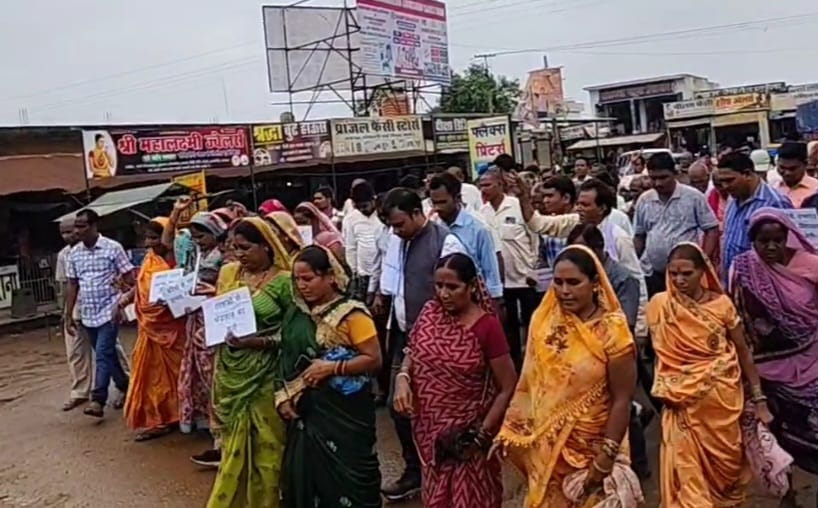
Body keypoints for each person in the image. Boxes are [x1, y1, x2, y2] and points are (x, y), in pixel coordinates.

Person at [495, 245, 642, 507]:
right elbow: (530, 383)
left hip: (592, 447)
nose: (564, 290)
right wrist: (513, 428)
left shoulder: (613, 331)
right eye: (558, 282)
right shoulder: (543, 322)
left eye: (574, 282)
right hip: (546, 446)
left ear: (595, 283)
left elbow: (623, 398)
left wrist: (606, 456)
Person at [647, 243, 773, 507]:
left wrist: (759, 398)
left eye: (687, 273)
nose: (679, 280)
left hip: (721, 403)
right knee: (686, 478)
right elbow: (663, 356)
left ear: (702, 271)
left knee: (727, 474)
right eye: (673, 274)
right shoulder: (660, 305)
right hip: (681, 405)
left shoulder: (721, 305)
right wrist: (669, 385)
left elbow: (742, 351)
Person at [393, 253, 517, 507]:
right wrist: (402, 378)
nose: (444, 294)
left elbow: (507, 386)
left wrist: (480, 437)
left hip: (467, 437)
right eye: (439, 286)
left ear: (472, 287)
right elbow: (412, 352)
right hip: (431, 432)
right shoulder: (429, 314)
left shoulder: (486, 327)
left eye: (452, 287)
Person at [275, 245, 382, 507]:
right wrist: (283, 395)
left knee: (348, 481)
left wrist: (332, 368)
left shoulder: (352, 314)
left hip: (344, 412)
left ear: (330, 276)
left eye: (308, 278)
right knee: (305, 475)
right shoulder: (297, 314)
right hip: (307, 411)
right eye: (297, 279)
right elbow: (285, 354)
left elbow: (374, 359)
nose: (302, 286)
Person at [378, 187, 465, 501]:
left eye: (400, 224)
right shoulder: (398, 240)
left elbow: (458, 293)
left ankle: (443, 472)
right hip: (404, 334)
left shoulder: (446, 242)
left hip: (437, 340)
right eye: (392, 226)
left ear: (417, 213)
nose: (396, 231)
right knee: (399, 407)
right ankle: (415, 470)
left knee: (436, 410)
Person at [206, 217, 294, 508]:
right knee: (233, 448)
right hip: (231, 372)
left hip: (266, 375)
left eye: (245, 247)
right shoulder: (229, 273)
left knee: (268, 447)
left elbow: (294, 333)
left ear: (266, 246)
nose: (239, 254)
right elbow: (220, 315)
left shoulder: (285, 281)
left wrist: (258, 342)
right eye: (234, 247)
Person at [731, 209, 818, 477]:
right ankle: (785, 486)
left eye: (777, 240)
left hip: (812, 360)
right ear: (752, 241)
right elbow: (737, 316)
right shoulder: (743, 269)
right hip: (766, 367)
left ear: (787, 237)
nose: (771, 247)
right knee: (775, 433)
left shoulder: (810, 264)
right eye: (763, 241)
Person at [165, 210, 227, 465]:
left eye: (201, 236)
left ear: (215, 233)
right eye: (194, 237)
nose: (198, 241)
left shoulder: (225, 257)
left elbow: (229, 291)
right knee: (202, 378)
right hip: (196, 322)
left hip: (217, 323)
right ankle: (214, 433)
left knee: (217, 380)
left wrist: (212, 292)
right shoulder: (197, 255)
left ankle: (223, 441)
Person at [119, 217, 185, 441]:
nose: (149, 243)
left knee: (178, 374)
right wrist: (124, 299)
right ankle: (159, 420)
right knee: (152, 377)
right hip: (150, 330)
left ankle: (184, 414)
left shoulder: (178, 259)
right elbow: (141, 288)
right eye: (147, 238)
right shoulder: (149, 260)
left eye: (154, 237)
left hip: (174, 328)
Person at [64, 209, 134, 419]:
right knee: (107, 354)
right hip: (87, 312)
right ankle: (125, 384)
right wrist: (68, 314)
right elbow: (72, 285)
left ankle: (98, 399)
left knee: (102, 353)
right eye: (76, 227)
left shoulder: (113, 248)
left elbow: (129, 277)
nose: (77, 231)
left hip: (109, 311)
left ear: (94, 226)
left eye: (82, 226)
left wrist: (123, 296)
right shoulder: (73, 254)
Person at [635, 152, 720, 297]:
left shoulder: (693, 197)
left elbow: (711, 229)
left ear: (675, 174)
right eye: (653, 178)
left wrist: (702, 261)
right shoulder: (644, 200)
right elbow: (639, 236)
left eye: (663, 177)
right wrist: (636, 263)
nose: (658, 183)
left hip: (686, 276)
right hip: (654, 274)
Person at [479, 169, 539, 370]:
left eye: (488, 185)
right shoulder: (483, 213)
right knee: (508, 327)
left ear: (500, 185)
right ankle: (515, 367)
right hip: (501, 282)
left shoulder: (517, 206)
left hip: (525, 277)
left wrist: (533, 268)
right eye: (481, 185)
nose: (484, 189)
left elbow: (534, 238)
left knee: (532, 323)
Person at [428, 173, 504, 303]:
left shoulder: (478, 229)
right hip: (442, 300)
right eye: (434, 203)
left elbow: (490, 269)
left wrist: (495, 300)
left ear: (457, 198)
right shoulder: (432, 228)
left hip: (473, 300)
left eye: (442, 202)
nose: (437, 208)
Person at [719, 151, 792, 280]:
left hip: (764, 282)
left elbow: (788, 248)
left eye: (729, 180)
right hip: (733, 280)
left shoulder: (775, 202)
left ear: (747, 174)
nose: (725, 186)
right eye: (722, 182)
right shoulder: (733, 200)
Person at [342, 182, 386, 301]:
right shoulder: (350, 219)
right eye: (359, 207)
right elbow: (350, 248)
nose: (362, 210)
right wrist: (354, 272)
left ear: (373, 200)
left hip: (383, 272)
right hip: (363, 274)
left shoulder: (382, 215)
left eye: (365, 206)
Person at [775, 141, 818, 208]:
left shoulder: (816, 188)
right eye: (782, 168)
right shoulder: (773, 187)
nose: (787, 173)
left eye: (792, 169)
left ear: (805, 164)